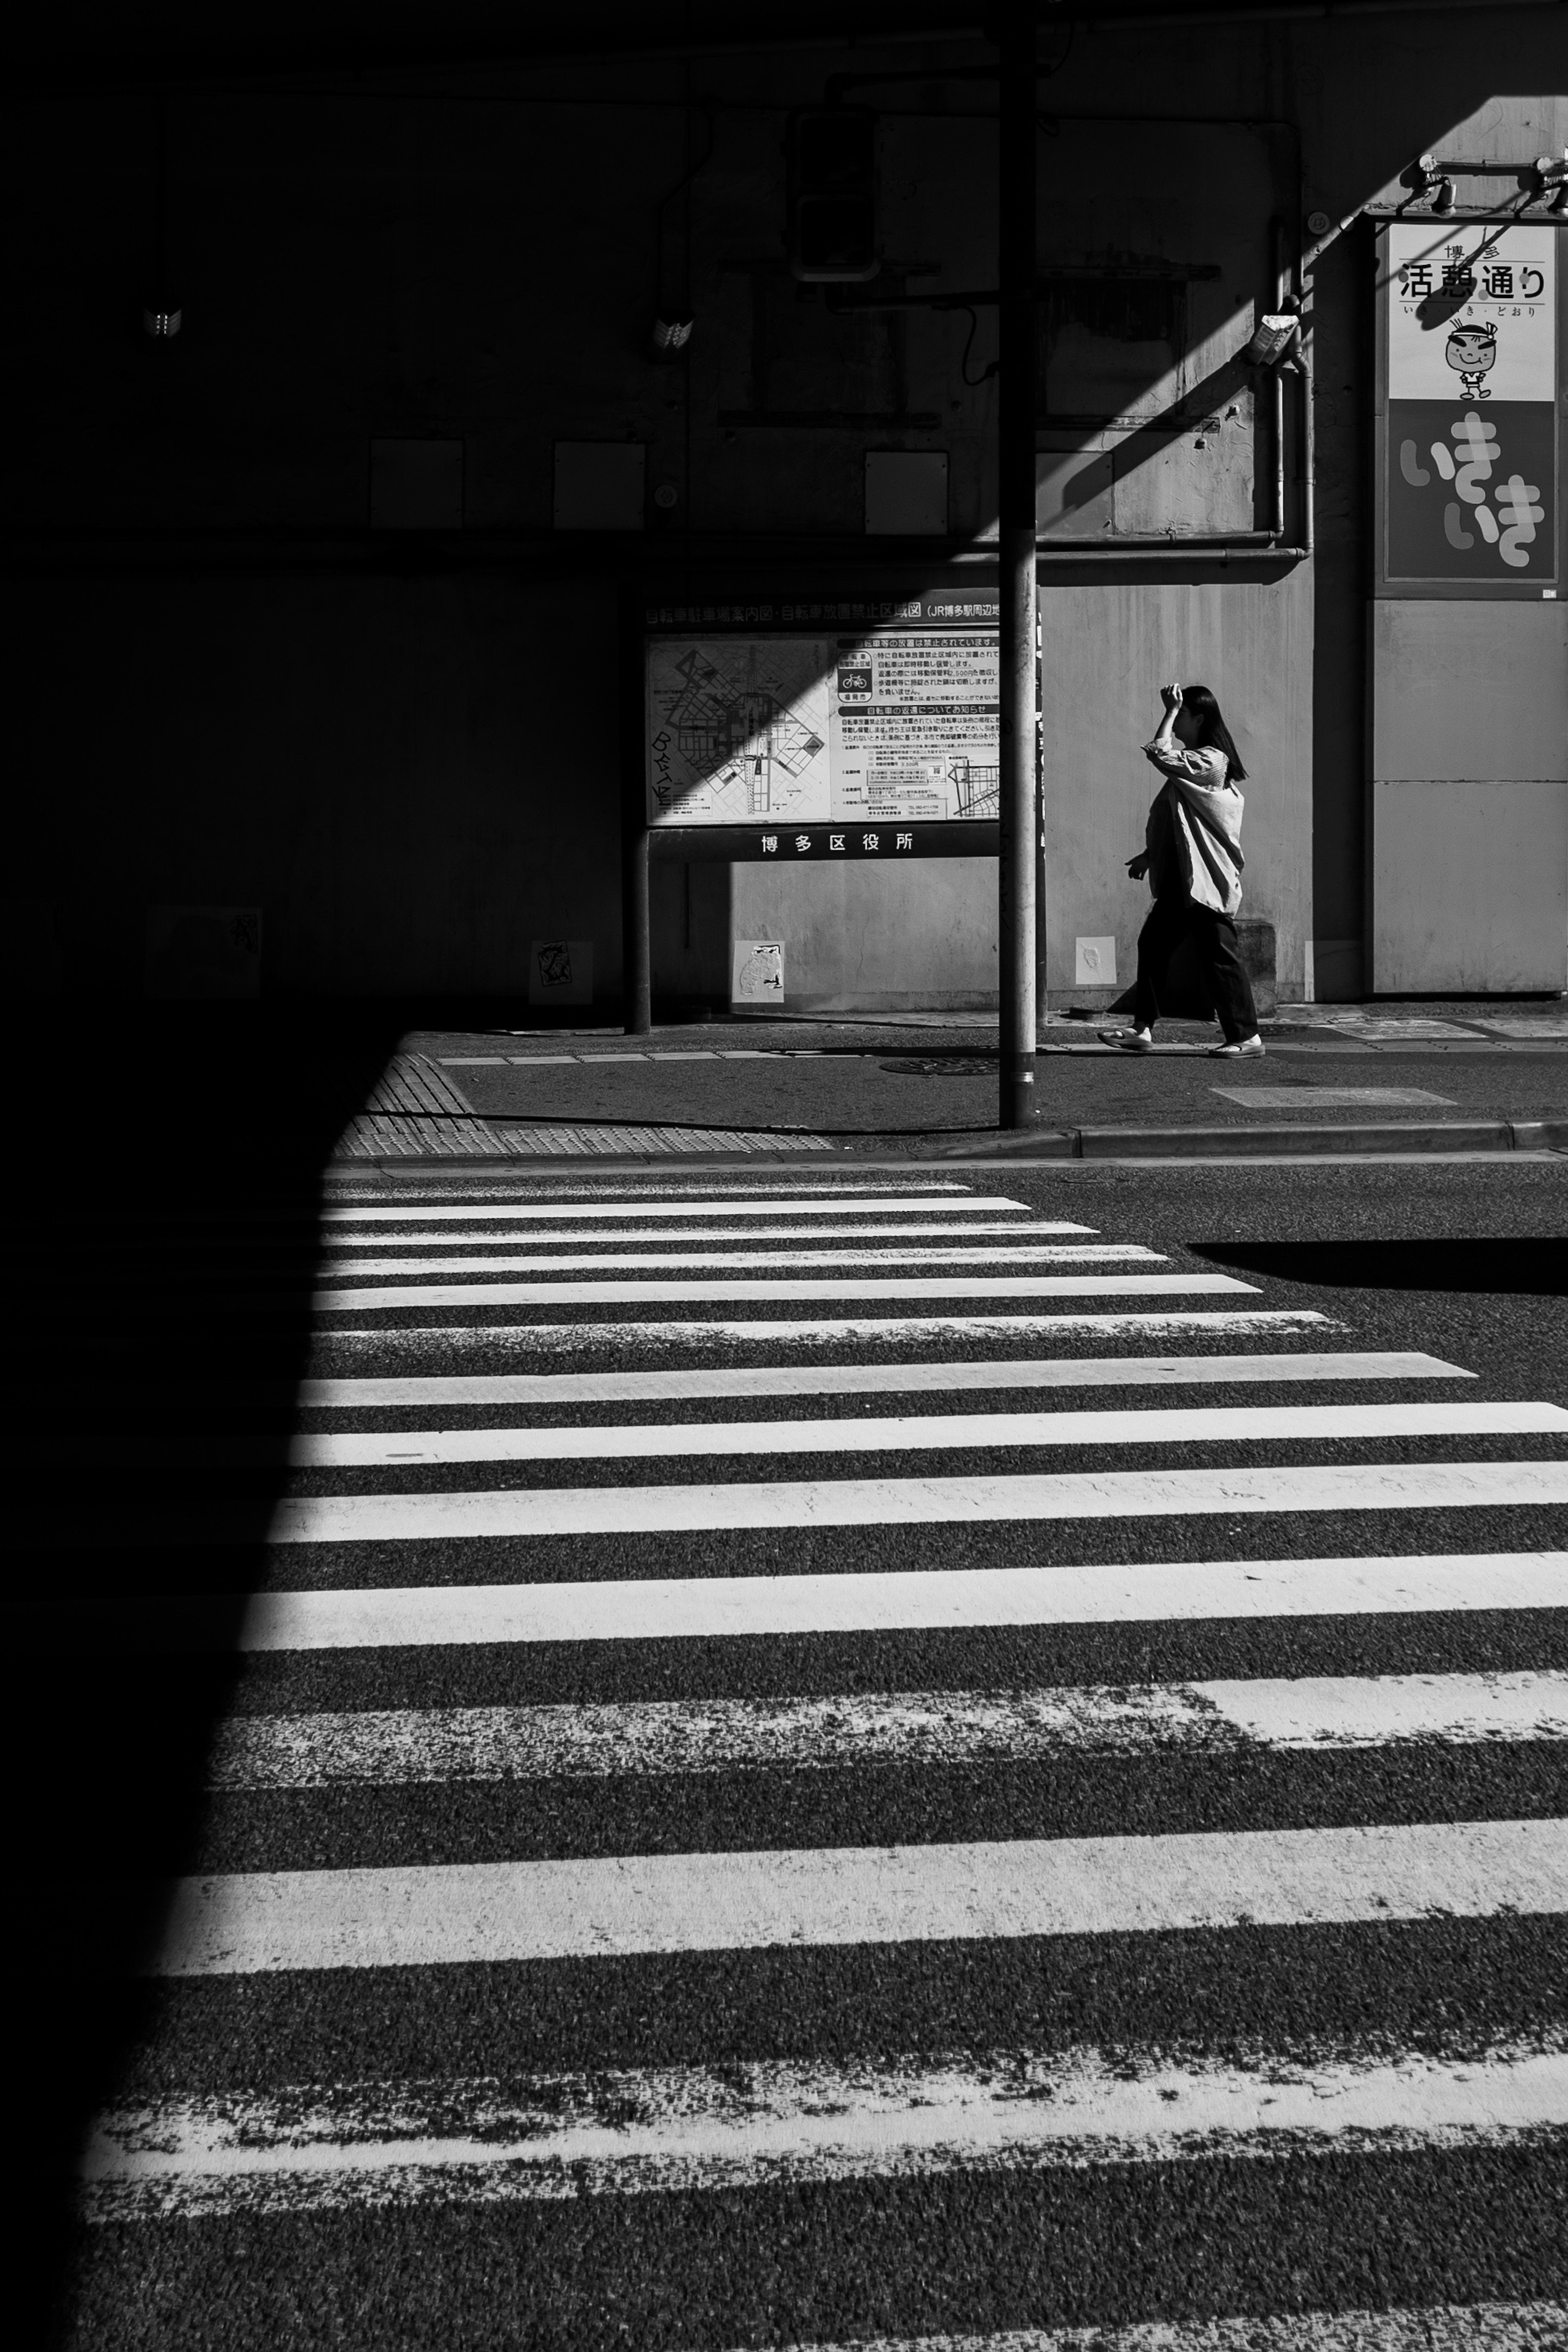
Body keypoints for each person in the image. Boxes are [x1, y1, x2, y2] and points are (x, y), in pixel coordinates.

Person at [1100, 680, 1265, 1058]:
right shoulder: (1194, 768)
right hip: (1182, 878)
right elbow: (1178, 823)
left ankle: (1247, 1036)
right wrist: (1149, 856)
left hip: (1205, 878)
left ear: (1200, 718)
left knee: (1220, 956)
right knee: (1154, 945)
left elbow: (1160, 755)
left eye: (1182, 716)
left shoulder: (1212, 761)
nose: (1175, 725)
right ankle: (1142, 1029)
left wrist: (1168, 710)